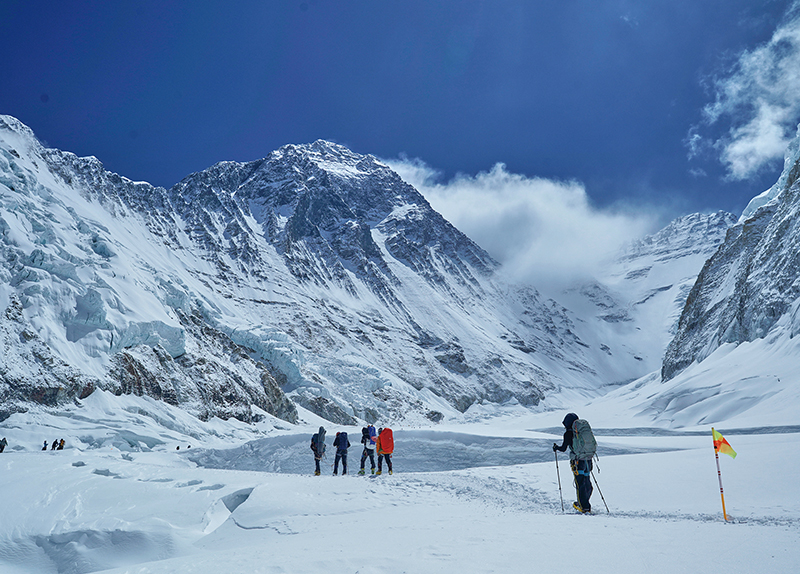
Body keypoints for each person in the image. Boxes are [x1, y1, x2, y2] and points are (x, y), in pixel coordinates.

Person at [553, 412, 593, 513]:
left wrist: (556, 447)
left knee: (580, 484)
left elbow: (563, 449)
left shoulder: (568, 434)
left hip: (577, 461)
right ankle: (586, 503)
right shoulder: (581, 432)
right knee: (586, 482)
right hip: (588, 460)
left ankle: (583, 506)